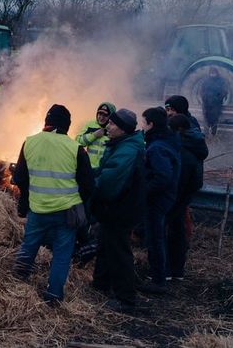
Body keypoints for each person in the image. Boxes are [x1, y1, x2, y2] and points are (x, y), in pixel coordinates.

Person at [12, 104, 95, 304]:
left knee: (29, 246)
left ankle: (16, 284)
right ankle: (54, 295)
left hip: (38, 209)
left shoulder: (29, 142)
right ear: (67, 125)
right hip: (66, 212)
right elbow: (88, 185)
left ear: (46, 122)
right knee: (62, 254)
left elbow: (19, 177)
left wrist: (26, 200)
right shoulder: (75, 148)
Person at [89, 108, 145, 312]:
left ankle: (126, 298)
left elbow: (109, 183)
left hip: (121, 209)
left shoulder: (128, 151)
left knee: (119, 251)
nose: (108, 127)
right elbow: (105, 170)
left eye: (112, 124)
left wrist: (90, 186)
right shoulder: (121, 145)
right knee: (105, 244)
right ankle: (100, 284)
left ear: (123, 129)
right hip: (115, 208)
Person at [139, 107, 181, 295]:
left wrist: (144, 190)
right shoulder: (166, 140)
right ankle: (158, 275)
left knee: (155, 238)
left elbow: (163, 176)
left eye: (143, 121)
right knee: (156, 236)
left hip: (157, 200)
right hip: (166, 197)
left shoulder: (156, 148)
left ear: (151, 124)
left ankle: (158, 280)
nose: (141, 125)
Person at [167, 114, 208, 281]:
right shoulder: (193, 144)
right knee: (178, 231)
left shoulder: (184, 150)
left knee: (172, 233)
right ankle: (176, 270)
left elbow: (181, 177)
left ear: (179, 130)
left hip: (177, 197)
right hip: (183, 196)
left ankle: (170, 271)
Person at [75, 102, 116, 170]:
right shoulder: (90, 124)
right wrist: (94, 135)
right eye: (100, 113)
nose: (101, 117)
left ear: (111, 116)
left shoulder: (115, 128)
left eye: (105, 115)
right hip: (89, 169)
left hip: (104, 170)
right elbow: (77, 142)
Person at [200, 68, 227, 136]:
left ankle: (213, 133)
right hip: (206, 103)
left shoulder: (221, 81)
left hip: (216, 104)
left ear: (217, 73)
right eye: (211, 72)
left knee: (215, 118)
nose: (212, 74)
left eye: (214, 72)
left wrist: (218, 99)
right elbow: (202, 90)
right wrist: (204, 98)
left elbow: (224, 91)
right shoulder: (206, 81)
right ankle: (206, 134)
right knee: (206, 118)